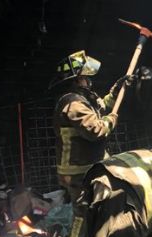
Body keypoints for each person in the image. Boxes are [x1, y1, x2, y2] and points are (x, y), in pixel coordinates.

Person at [51, 51, 135, 201]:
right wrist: (111, 120)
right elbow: (96, 130)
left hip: (87, 165)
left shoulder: (81, 99)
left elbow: (102, 107)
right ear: (77, 80)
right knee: (84, 213)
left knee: (98, 207)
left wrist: (116, 91)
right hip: (77, 172)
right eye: (85, 77)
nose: (88, 81)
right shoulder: (73, 104)